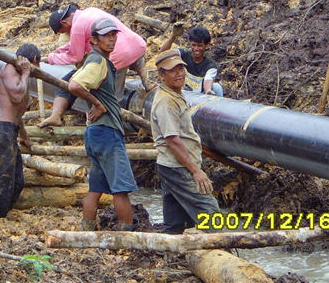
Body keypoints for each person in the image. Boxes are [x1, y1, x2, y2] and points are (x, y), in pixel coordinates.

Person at [66, 17, 138, 231]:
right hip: (107, 132)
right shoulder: (97, 62)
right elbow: (74, 85)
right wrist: (98, 103)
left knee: (96, 187)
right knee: (121, 188)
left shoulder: (95, 60)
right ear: (95, 39)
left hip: (95, 133)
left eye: (114, 35)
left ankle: (87, 228)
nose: (112, 40)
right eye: (107, 36)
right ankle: (128, 233)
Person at [38, 4, 151, 128]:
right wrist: (60, 50)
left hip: (118, 57)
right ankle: (145, 81)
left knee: (108, 96)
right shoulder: (90, 12)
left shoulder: (78, 27)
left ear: (64, 23)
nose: (68, 34)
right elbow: (76, 43)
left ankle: (114, 124)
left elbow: (76, 56)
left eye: (64, 32)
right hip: (138, 46)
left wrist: (52, 58)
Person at [151, 48, 220, 234]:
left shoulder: (175, 94)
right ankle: (225, 251)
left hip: (172, 165)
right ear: (161, 75)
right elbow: (172, 140)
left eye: (181, 69)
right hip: (178, 167)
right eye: (173, 70)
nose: (179, 74)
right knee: (209, 210)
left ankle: (174, 254)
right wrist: (196, 171)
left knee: (176, 218)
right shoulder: (166, 102)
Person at [0, 43, 39, 218]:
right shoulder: (10, 70)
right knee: (1, 178)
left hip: (10, 132)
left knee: (16, 180)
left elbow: (18, 113)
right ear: (35, 60)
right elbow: (16, 96)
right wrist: (27, 72)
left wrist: (24, 136)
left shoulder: (21, 77)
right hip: (1, 131)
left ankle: (1, 214)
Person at [160, 24, 222, 96]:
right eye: (193, 45)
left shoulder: (211, 66)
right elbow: (163, 54)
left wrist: (208, 91)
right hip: (181, 93)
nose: (196, 49)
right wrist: (173, 37)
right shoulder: (183, 54)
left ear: (206, 45)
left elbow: (208, 80)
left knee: (217, 87)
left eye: (199, 45)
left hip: (199, 98)